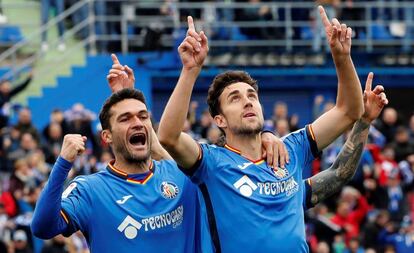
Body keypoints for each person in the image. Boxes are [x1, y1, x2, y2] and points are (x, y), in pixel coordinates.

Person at [155, 6, 384, 252]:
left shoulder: (291, 149)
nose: (247, 101)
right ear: (219, 120)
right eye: (235, 98)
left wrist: (341, 59)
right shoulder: (211, 164)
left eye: (252, 95)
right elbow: (168, 137)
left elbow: (349, 111)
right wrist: (190, 71)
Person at [32, 71, 287, 252]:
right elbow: (43, 226)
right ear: (106, 137)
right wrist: (63, 163)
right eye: (125, 119)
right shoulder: (91, 190)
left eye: (143, 116)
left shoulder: (183, 175)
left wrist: (264, 135)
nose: (137, 122)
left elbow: (235, 157)